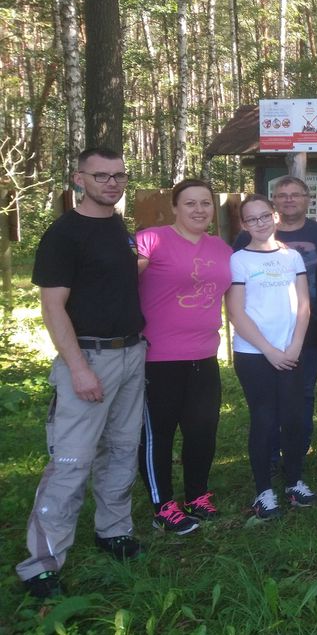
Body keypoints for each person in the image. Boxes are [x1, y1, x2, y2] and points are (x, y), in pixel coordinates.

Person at [17, 147, 148, 598]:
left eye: (119, 175)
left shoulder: (117, 227)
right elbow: (52, 307)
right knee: (71, 461)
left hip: (132, 354)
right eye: (101, 176)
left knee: (121, 449)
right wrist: (77, 369)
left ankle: (113, 531)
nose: (112, 183)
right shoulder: (64, 234)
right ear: (79, 179)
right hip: (90, 359)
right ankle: (42, 564)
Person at [137, 179, 233, 533]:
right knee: (158, 433)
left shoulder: (221, 248)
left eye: (205, 203)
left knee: (202, 429)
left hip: (204, 355)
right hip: (158, 357)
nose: (199, 210)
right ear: (175, 207)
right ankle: (163, 505)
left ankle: (197, 495)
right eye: (190, 203)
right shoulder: (152, 240)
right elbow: (118, 286)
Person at [227, 194, 316, 520]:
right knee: (264, 420)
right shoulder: (239, 260)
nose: (260, 223)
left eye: (264, 216)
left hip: (291, 351)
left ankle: (293, 481)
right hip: (255, 354)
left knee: (293, 419)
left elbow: (304, 305)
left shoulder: (292, 257)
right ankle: (264, 490)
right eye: (251, 219)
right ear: (243, 224)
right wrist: (269, 350)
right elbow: (236, 312)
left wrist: (293, 347)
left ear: (275, 217)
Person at [234, 176, 317, 470]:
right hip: (258, 342)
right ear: (275, 201)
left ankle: (297, 454)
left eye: (295, 194)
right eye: (282, 194)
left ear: (307, 198)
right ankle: (270, 456)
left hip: (306, 333)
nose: (289, 199)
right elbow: (238, 298)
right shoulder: (243, 245)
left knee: (302, 395)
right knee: (266, 405)